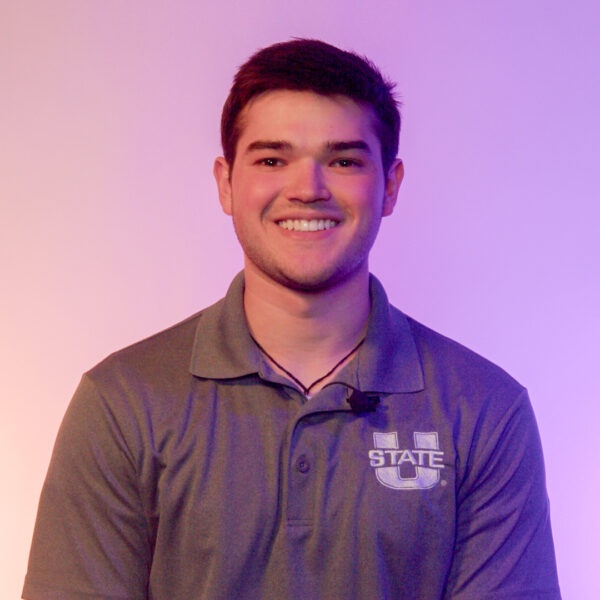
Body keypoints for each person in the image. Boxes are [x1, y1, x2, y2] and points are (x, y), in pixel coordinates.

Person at [23, 39, 561, 599]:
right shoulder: (123, 402)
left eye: (344, 161)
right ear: (226, 183)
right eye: (272, 160)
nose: (308, 190)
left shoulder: (485, 410)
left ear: (390, 186)